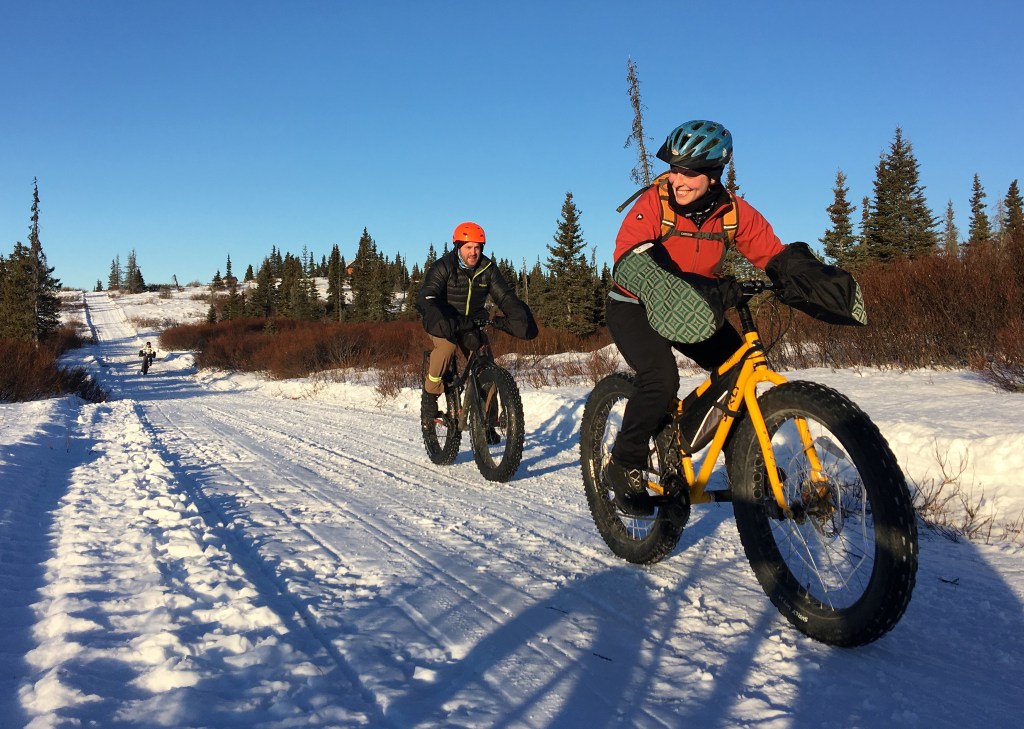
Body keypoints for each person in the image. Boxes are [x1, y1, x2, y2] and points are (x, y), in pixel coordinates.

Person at [604, 119, 788, 516]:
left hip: (693, 310)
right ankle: (624, 462)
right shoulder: (655, 203)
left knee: (738, 370)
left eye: (690, 172)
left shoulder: (733, 212)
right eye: (674, 169)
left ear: (714, 174)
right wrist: (698, 285)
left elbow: (773, 252)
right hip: (633, 304)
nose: (678, 180)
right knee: (660, 378)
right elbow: (629, 256)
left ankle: (747, 463)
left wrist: (805, 275)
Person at [416, 221, 537, 424]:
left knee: (486, 363)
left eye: (477, 247)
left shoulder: (487, 269)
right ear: (458, 247)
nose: (473, 252)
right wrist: (441, 318)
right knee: (446, 348)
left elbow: (504, 296)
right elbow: (428, 297)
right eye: (468, 247)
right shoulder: (443, 266)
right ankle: (430, 396)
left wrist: (518, 316)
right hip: (444, 321)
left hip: (470, 323)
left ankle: (488, 423)